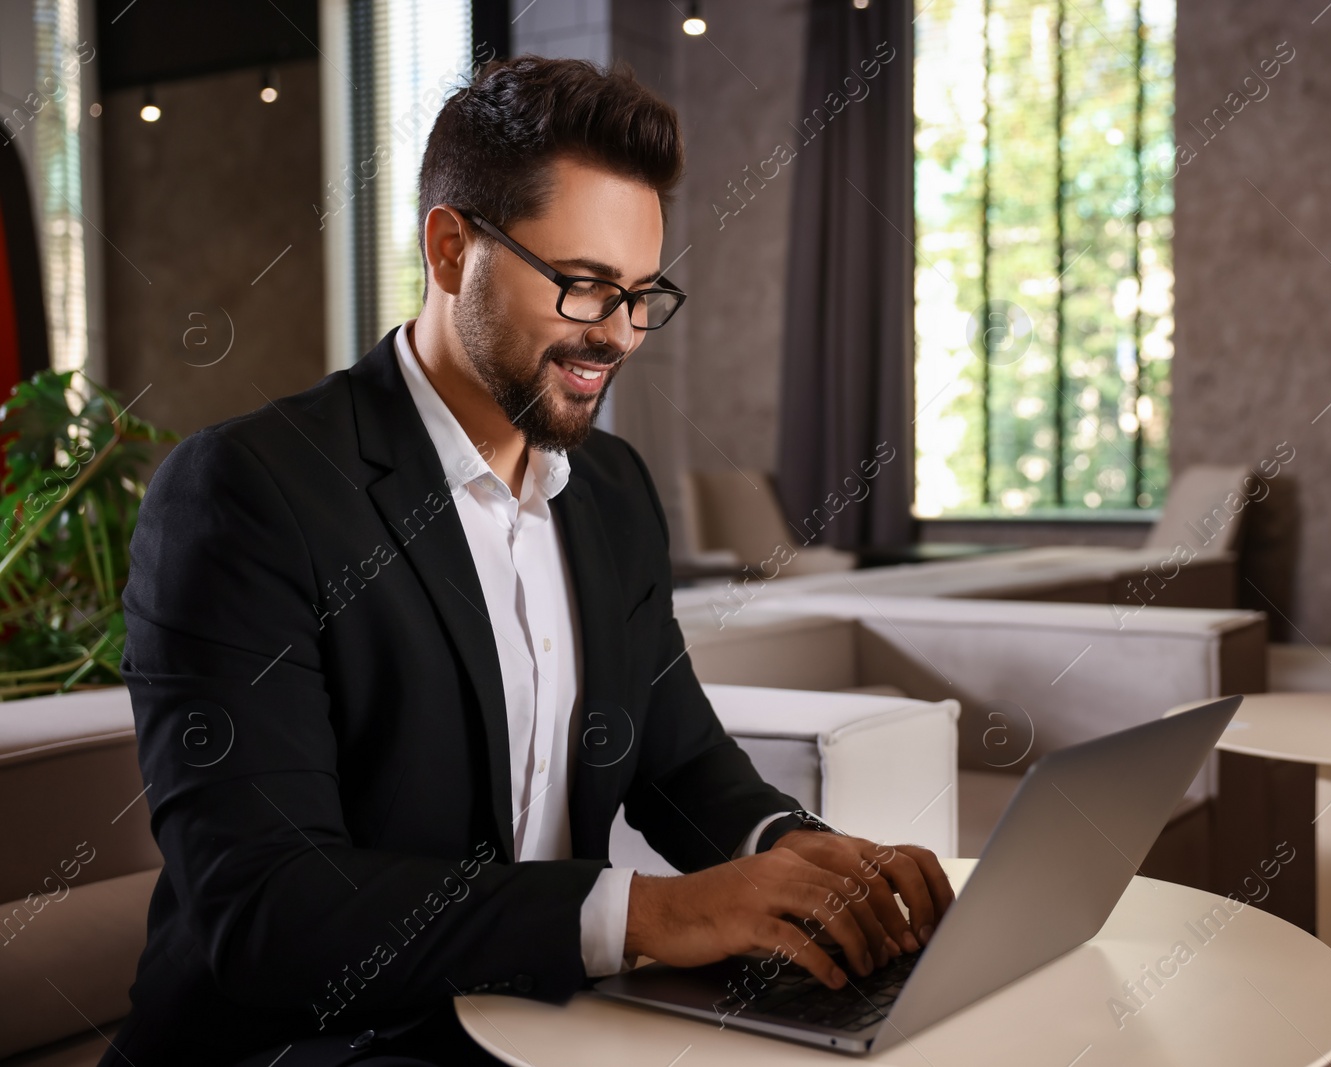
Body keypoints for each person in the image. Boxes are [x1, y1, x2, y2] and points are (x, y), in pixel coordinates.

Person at [99, 55, 952, 1067]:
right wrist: (653, 914)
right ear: (452, 247)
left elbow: (677, 757)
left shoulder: (613, 492)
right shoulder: (243, 492)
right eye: (586, 288)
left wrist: (793, 847)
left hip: (536, 1026)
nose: (620, 336)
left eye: (642, 294)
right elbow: (266, 908)